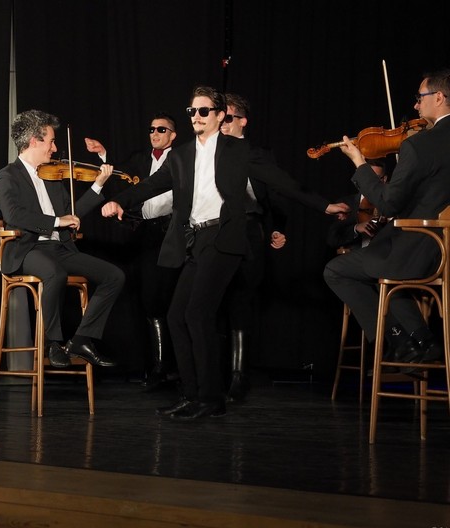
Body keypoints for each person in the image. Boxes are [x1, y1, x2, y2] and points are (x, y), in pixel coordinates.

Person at [102, 86, 348, 420]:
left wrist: (325, 206)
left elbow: (282, 182)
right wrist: (119, 201)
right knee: (176, 316)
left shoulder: (239, 151)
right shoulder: (181, 155)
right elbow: (150, 186)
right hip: (194, 239)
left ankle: (210, 398)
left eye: (204, 111)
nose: (197, 117)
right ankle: (192, 395)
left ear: (219, 116)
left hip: (225, 237)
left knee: (197, 315)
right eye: (192, 111)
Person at [324, 68, 450, 369]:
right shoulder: (421, 142)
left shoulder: (420, 145)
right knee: (385, 276)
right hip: (443, 251)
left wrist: (359, 163)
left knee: (337, 270)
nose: (416, 106)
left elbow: (389, 202)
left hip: (419, 250)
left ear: (439, 97)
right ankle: (423, 340)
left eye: (420, 98)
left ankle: (397, 341)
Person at [0, 109, 124, 368]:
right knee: (55, 273)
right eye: (51, 141)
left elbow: (71, 214)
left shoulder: (51, 176)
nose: (55, 148)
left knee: (115, 276)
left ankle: (81, 340)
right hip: (27, 250)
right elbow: (14, 214)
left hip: (59, 248)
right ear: (34, 141)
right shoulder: (6, 176)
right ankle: (52, 342)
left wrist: (98, 184)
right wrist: (56, 222)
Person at [84, 113, 181, 390]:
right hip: (148, 234)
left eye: (161, 129)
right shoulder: (140, 159)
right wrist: (103, 154)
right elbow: (118, 176)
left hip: (176, 233)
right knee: (150, 299)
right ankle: (159, 368)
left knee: (176, 299)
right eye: (152, 129)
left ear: (173, 135)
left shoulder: (182, 158)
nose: (155, 133)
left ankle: (178, 368)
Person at [218, 93, 288, 402]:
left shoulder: (259, 154)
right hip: (214, 231)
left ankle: (238, 376)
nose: (222, 123)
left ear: (243, 121)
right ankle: (210, 373)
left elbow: (277, 193)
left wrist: (278, 228)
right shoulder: (209, 152)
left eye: (228, 118)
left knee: (241, 299)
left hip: (248, 228)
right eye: (220, 118)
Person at [326, 158, 389, 251]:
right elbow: (332, 239)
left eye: (375, 179)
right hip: (356, 255)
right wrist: (356, 228)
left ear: (384, 179)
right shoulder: (345, 204)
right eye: (367, 178)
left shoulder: (392, 202)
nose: (370, 183)